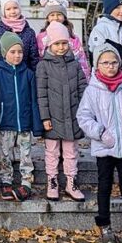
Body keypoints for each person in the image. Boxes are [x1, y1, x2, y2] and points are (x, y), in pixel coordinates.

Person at [76, 46, 122, 243]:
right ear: (98, 65)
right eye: (105, 63)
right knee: (104, 186)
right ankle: (105, 228)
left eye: (114, 62)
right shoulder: (93, 90)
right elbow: (84, 117)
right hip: (104, 147)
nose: (110, 66)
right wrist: (99, 132)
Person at [36, 22, 88, 202]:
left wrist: (83, 113)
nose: (61, 47)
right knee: (52, 151)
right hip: (53, 116)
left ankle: (71, 182)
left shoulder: (74, 65)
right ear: (50, 44)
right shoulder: (43, 66)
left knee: (71, 151)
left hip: (72, 115)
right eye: (57, 44)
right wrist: (45, 117)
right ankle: (52, 181)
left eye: (64, 43)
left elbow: (83, 88)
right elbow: (41, 94)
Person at [0, 32, 43, 200]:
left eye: (20, 52)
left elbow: (33, 100)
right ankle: (6, 180)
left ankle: (26, 181)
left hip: (24, 123)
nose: (17, 55)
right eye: (13, 52)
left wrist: (36, 125)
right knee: (5, 154)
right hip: (5, 122)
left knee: (26, 154)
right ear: (5, 53)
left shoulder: (28, 74)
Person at [37, 0, 91, 81]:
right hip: (51, 78)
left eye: (59, 14)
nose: (56, 18)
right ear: (47, 18)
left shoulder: (73, 38)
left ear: (64, 17)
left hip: (71, 77)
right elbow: (39, 58)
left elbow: (81, 59)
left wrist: (85, 79)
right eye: (52, 15)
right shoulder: (42, 37)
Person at [0, 0, 38, 72]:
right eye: (8, 9)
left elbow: (34, 57)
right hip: (2, 76)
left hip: (23, 75)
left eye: (15, 8)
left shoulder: (29, 32)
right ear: (3, 12)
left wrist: (34, 77)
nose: (12, 11)